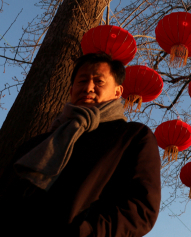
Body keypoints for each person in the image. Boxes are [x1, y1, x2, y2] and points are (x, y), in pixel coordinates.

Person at [0, 53, 162, 236]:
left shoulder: (131, 136)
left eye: (99, 82)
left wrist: (85, 231)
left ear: (117, 92)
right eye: (82, 81)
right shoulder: (37, 144)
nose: (88, 88)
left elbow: (140, 209)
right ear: (71, 90)